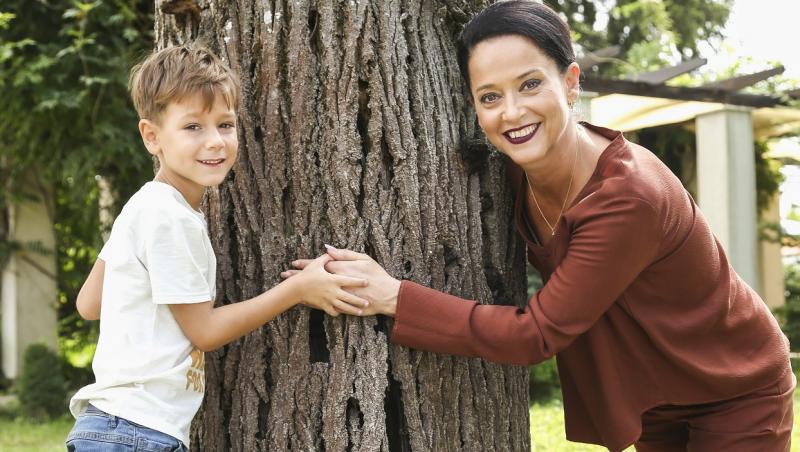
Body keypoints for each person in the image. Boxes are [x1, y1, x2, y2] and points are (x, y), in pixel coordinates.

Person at [284, 1, 794, 451]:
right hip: (656, 396)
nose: (512, 112)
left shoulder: (628, 196)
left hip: (733, 388)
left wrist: (394, 295)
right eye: (489, 97)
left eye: (530, 84)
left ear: (571, 83)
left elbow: (537, 334)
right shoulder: (509, 171)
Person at [66, 45, 370, 452]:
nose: (215, 142)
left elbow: (89, 304)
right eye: (193, 127)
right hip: (137, 432)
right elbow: (205, 332)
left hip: (108, 425)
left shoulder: (143, 205)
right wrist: (297, 290)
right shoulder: (171, 218)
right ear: (151, 136)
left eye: (225, 125)